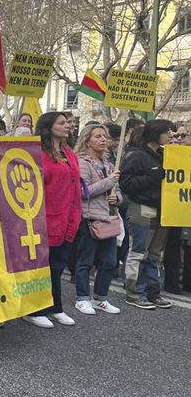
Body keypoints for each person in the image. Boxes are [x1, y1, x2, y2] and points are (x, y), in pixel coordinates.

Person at [23, 112, 81, 329]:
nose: (67, 125)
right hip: (44, 218)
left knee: (57, 266)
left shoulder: (68, 153)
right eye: (62, 122)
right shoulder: (37, 153)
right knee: (41, 266)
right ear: (49, 127)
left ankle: (56, 307)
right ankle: (34, 309)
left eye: (68, 122)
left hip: (67, 217)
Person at [119, 119, 174, 309]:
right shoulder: (137, 156)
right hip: (142, 208)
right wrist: (152, 177)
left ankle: (153, 293)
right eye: (167, 132)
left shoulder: (164, 154)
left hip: (163, 210)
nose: (171, 136)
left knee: (155, 255)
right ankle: (135, 294)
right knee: (138, 252)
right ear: (156, 133)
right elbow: (125, 183)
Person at [72, 124, 122, 315]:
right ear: (87, 140)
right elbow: (83, 192)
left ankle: (100, 297)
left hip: (109, 218)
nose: (103, 140)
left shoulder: (110, 165)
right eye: (98, 136)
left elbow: (118, 192)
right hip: (90, 218)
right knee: (86, 261)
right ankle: (82, 298)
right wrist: (109, 182)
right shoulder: (83, 163)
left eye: (105, 137)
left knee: (109, 262)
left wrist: (116, 197)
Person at [164, 126, 191, 294]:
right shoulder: (170, 154)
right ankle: (172, 283)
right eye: (177, 135)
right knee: (172, 246)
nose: (179, 138)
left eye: (184, 135)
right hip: (174, 206)